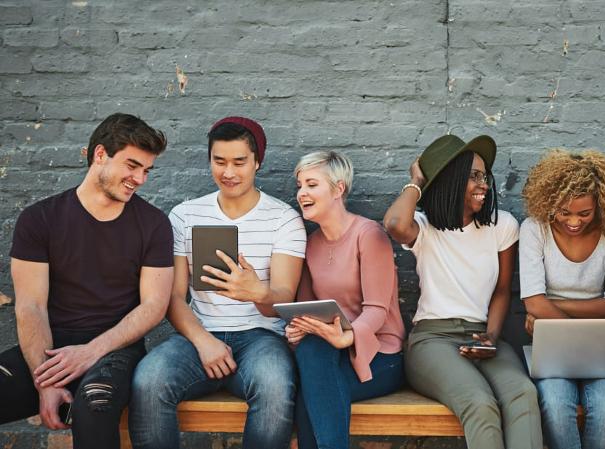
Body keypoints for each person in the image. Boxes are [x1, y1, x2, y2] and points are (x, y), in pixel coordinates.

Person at [129, 117, 306, 449]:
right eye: (219, 161)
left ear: (257, 162)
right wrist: (202, 341)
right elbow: (174, 298)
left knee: (275, 385)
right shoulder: (185, 215)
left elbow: (283, 299)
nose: (229, 172)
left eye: (239, 162)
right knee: (148, 380)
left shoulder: (283, 219)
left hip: (261, 337)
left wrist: (258, 292)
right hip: (199, 333)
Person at [0, 113, 172, 449]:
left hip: (115, 350)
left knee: (96, 405)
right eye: (132, 165)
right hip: (48, 348)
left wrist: (90, 352)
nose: (139, 179)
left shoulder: (153, 224)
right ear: (99, 155)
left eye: (146, 170)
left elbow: (154, 306)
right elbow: (31, 306)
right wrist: (44, 381)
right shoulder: (40, 219)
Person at [384, 134, 543, 449]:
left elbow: (501, 291)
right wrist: (417, 180)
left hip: (483, 336)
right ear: (452, 180)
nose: (483, 184)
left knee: (523, 394)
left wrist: (492, 337)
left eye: (485, 176)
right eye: (473, 176)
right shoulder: (425, 227)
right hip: (432, 341)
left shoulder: (502, 226)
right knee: (479, 402)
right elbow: (394, 224)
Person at [287, 151, 406, 449]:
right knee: (312, 351)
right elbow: (306, 309)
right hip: (329, 354)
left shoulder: (369, 235)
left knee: (311, 393)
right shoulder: (310, 244)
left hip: (380, 355)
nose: (302, 193)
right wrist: (298, 328)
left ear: (338, 189)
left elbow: (377, 311)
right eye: (299, 185)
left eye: (312, 184)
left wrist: (348, 337)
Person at [519, 149, 605, 449]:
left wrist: (551, 310)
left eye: (585, 213)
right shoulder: (534, 229)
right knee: (556, 410)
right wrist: (544, 309)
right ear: (550, 203)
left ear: (601, 205)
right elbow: (532, 303)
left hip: (603, 349)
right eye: (564, 212)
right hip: (551, 350)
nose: (573, 222)